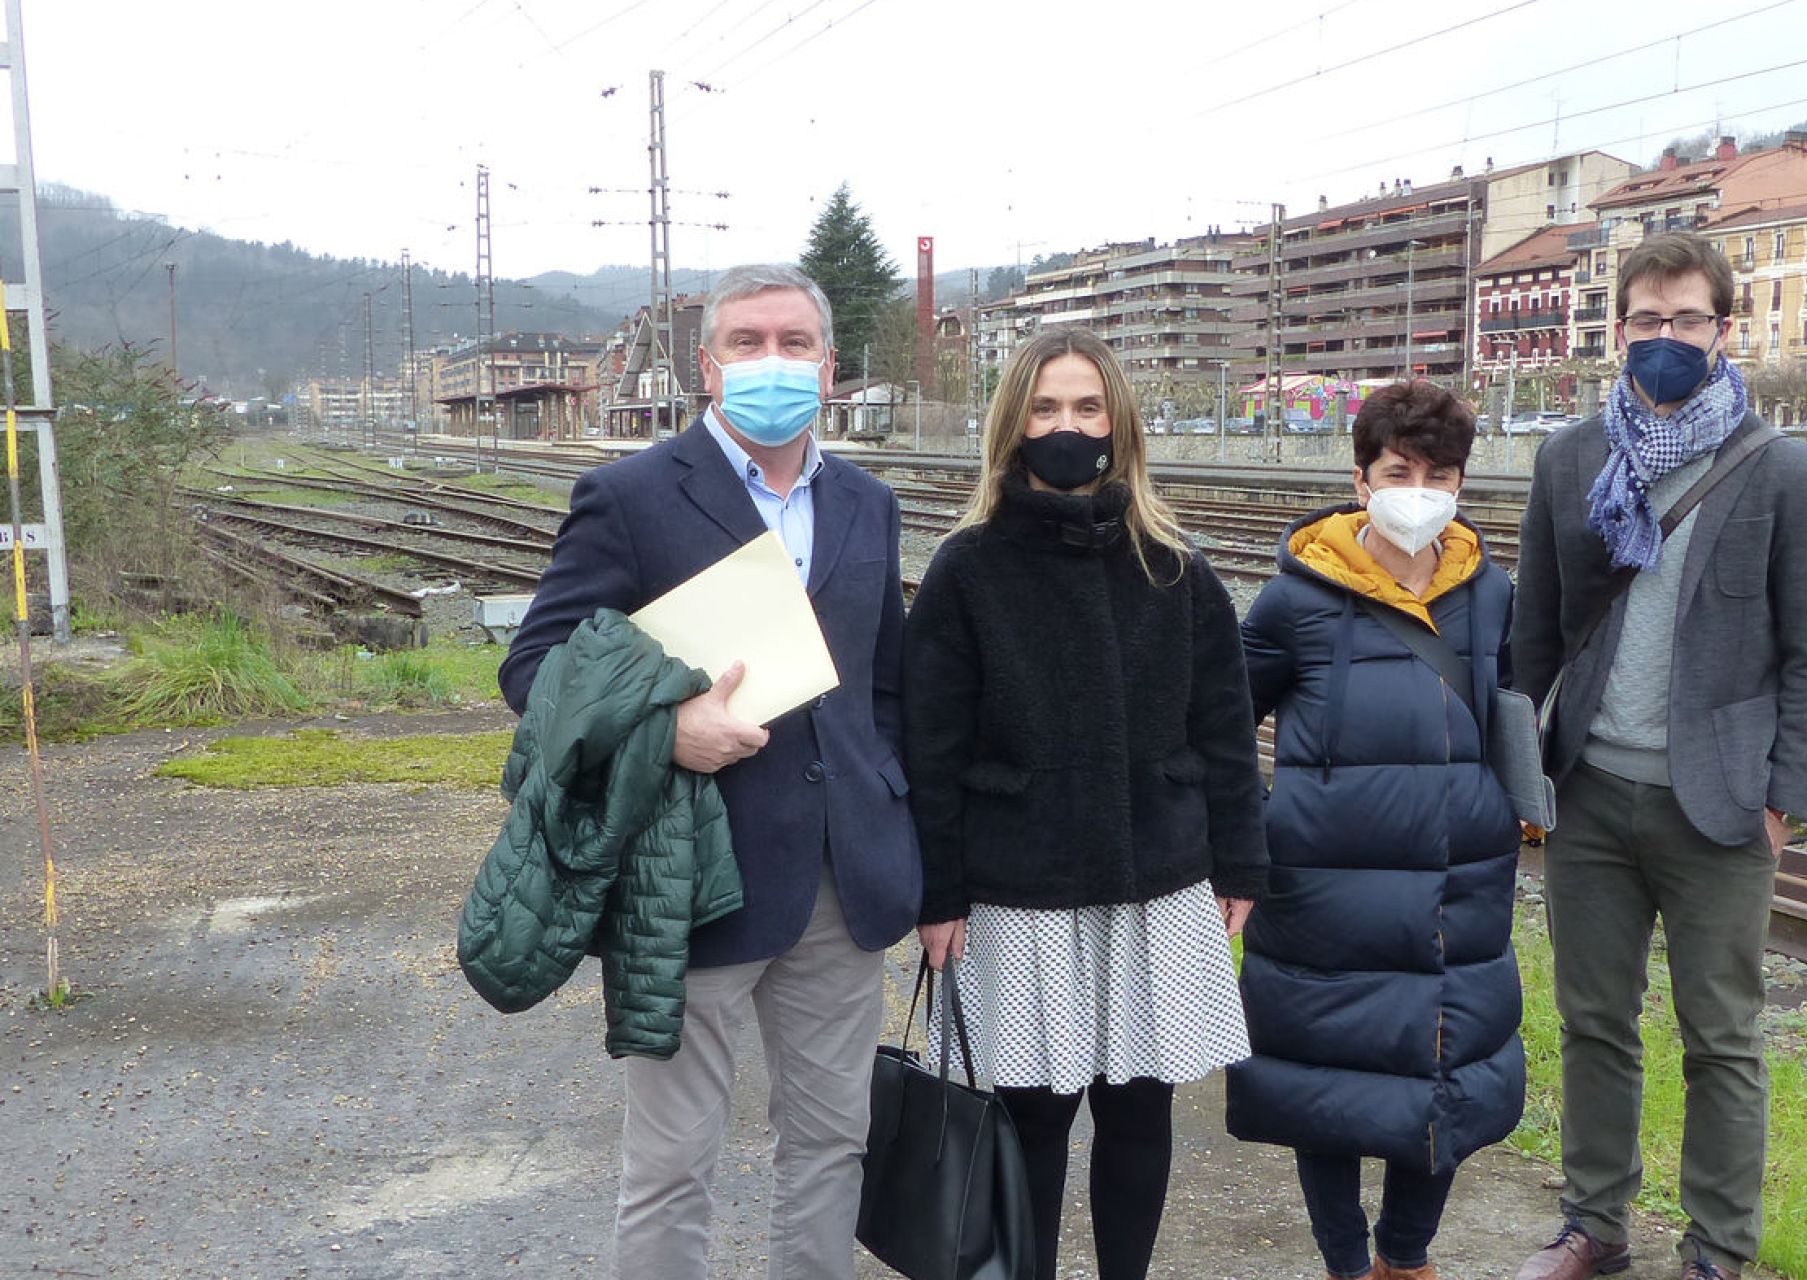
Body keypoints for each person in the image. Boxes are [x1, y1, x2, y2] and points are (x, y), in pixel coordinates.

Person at [497, 263, 921, 1280]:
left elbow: (887, 687)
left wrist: (896, 820)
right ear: (707, 363)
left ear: (828, 365)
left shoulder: (868, 502)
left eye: (793, 342)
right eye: (746, 341)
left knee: (831, 1142)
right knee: (675, 1158)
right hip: (689, 877)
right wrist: (665, 723)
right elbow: (534, 669)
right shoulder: (632, 495)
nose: (770, 361)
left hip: (840, 880)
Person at [1509, 232, 1807, 1280]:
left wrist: (1785, 796)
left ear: (1723, 329)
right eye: (1648, 320)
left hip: (1721, 807)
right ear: (1617, 330)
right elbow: (1534, 630)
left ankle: (1717, 1248)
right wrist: (1524, 769)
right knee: (1594, 1022)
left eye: (1688, 319)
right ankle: (1595, 1224)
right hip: (1593, 795)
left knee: (1725, 1036)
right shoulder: (1570, 457)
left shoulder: (1787, 471)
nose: (1667, 338)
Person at [903, 326, 1267, 1280]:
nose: (1069, 426)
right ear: (1014, 424)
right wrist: (936, 895)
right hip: (1017, 886)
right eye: (1048, 407)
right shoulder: (966, 570)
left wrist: (1240, 860)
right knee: (1033, 1112)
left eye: (1088, 407)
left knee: (1140, 1106)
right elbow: (931, 752)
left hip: (1159, 876)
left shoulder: (1174, 566)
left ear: (1120, 423)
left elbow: (1225, 728)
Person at [1225, 380, 1526, 1280]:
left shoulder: (1489, 591)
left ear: (1463, 484)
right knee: (1326, 1078)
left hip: (1455, 881)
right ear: (1361, 480)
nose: (1419, 489)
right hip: (1324, 881)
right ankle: (1345, 1262)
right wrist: (1241, 843)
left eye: (1440, 474)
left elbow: (1503, 712)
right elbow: (1223, 725)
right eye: (1400, 471)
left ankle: (1407, 1255)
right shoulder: (1296, 599)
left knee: (1446, 1068)